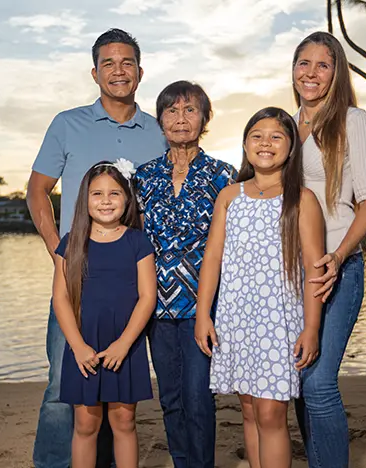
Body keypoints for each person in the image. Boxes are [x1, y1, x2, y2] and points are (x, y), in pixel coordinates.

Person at [27, 28, 167, 468]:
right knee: (60, 386)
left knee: (122, 392)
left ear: (140, 73)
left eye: (127, 62)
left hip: (132, 282)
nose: (118, 70)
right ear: (94, 72)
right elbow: (37, 192)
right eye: (108, 63)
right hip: (77, 278)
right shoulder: (67, 124)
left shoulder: (158, 131)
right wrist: (58, 250)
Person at [195, 107, 325, 468]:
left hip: (278, 323)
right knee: (249, 412)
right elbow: (213, 260)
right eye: (257, 135)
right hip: (236, 320)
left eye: (276, 136)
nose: (265, 143)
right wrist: (203, 314)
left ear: (290, 148)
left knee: (270, 415)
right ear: (245, 145)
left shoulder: (302, 200)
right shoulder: (229, 196)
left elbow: (315, 270)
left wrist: (311, 328)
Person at [291, 31, 366, 468]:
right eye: (304, 63)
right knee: (299, 376)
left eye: (323, 65)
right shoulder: (288, 124)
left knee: (319, 383)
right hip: (291, 271)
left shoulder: (353, 121)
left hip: (336, 269)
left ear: (337, 72)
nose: (312, 73)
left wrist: (340, 254)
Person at [134, 81, 237, 468]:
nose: (181, 119)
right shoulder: (143, 178)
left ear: (204, 118)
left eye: (190, 110)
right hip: (154, 306)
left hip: (203, 306)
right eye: (172, 111)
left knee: (198, 396)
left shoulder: (223, 176)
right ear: (160, 119)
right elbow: (136, 242)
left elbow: (232, 245)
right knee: (171, 398)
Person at [53, 160, 156, 468]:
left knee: (124, 421)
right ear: (85, 199)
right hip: (83, 345)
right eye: (97, 194)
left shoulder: (138, 241)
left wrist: (124, 344)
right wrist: (78, 346)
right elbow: (60, 299)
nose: (106, 201)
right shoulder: (72, 242)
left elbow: (147, 297)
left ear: (127, 199)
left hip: (126, 344)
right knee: (86, 425)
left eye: (114, 193)